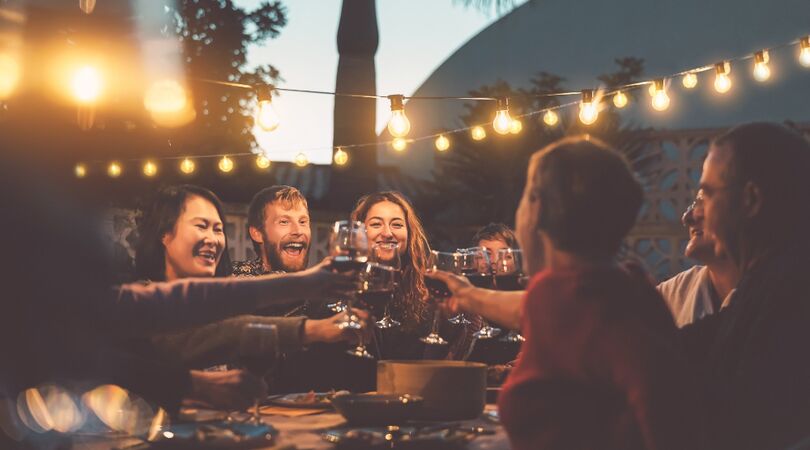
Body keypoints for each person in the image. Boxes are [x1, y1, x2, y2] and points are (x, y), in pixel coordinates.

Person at [428, 136, 697, 450]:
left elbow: (668, 421)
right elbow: (534, 307)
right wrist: (468, 295)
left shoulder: (588, 303)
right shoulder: (618, 286)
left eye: (525, 196)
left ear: (537, 208)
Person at [680, 122, 810, 450]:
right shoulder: (768, 284)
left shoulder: (789, 299)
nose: (695, 215)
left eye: (708, 195)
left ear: (750, 199)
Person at [130, 185, 360, 369]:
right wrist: (313, 319)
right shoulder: (141, 298)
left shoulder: (208, 296)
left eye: (218, 229)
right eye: (201, 226)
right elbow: (231, 330)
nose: (213, 239)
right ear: (165, 234)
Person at [351, 191, 479, 361]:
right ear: (359, 232)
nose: (387, 233)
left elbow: (448, 348)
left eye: (397, 225)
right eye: (376, 224)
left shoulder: (425, 287)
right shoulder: (344, 286)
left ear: (409, 233)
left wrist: (449, 317)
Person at [657, 193, 739, 327]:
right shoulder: (669, 297)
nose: (686, 218)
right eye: (694, 204)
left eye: (704, 201)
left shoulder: (773, 300)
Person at [466, 223, 522, 371]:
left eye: (505, 255)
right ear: (473, 261)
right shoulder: (463, 307)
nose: (495, 261)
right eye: (486, 254)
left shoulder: (526, 306)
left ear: (516, 263)